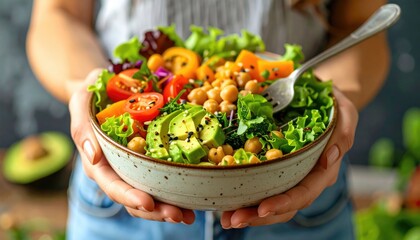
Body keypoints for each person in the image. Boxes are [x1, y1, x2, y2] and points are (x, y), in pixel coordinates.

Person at [26, 0, 390, 239]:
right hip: (124, 192)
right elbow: (58, 15)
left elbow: (360, 27)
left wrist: (337, 93)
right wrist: (89, 85)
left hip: (301, 189)